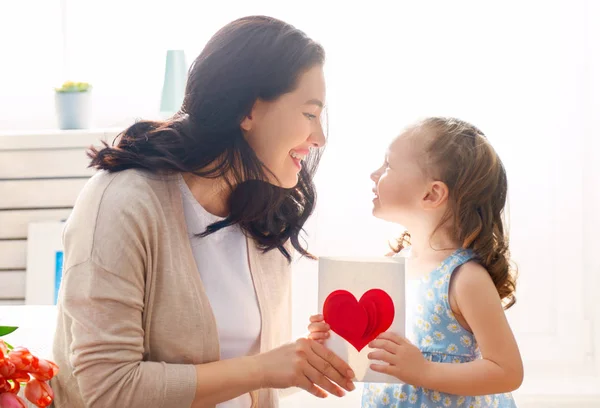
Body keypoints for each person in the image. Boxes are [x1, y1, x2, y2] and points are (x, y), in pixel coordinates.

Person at [52, 15, 355, 408]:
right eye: (309, 114)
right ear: (248, 111)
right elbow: (110, 388)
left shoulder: (261, 209)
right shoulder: (123, 203)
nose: (319, 138)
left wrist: (302, 360)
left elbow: (243, 373)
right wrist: (266, 367)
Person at [309, 117, 523, 407]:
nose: (374, 174)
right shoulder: (392, 269)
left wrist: (425, 371)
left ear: (432, 193)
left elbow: (507, 371)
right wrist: (332, 338)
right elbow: (374, 349)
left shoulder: (464, 277)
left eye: (388, 166)